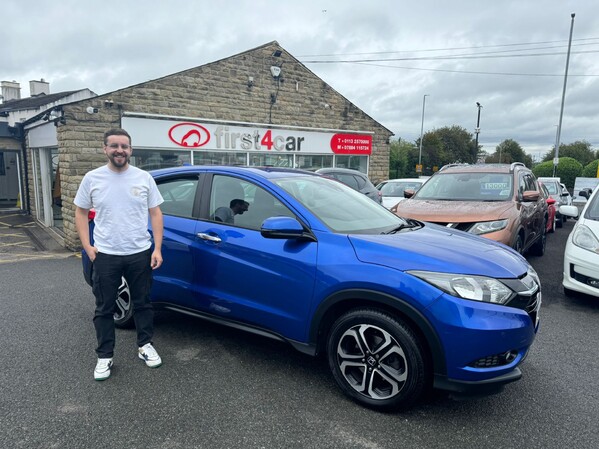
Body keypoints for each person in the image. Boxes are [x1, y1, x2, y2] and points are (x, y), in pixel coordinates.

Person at [74, 128, 164, 381]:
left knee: (143, 303)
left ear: (130, 150)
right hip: (106, 255)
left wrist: (157, 248)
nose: (119, 150)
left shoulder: (143, 178)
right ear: (105, 149)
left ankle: (145, 346)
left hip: (139, 253)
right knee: (104, 308)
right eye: (114, 146)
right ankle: (105, 356)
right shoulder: (92, 178)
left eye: (124, 146)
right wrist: (87, 246)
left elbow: (155, 213)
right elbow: (80, 212)